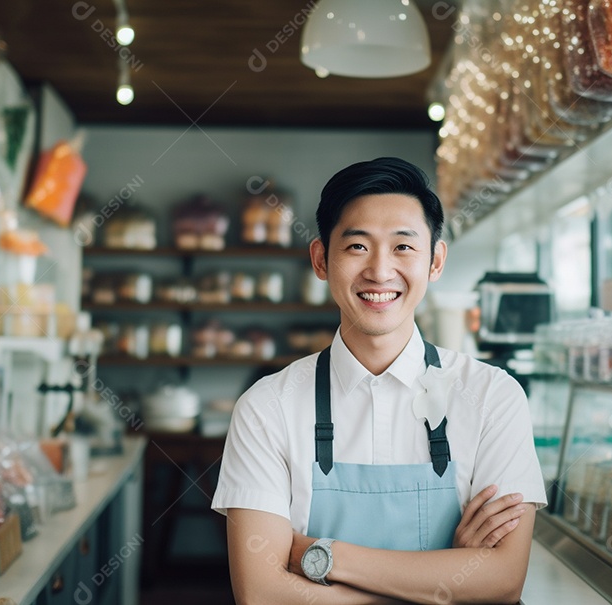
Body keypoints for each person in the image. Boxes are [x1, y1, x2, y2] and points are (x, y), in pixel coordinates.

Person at [211, 157, 547, 604]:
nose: (380, 271)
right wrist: (444, 582)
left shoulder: (492, 397)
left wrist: (326, 556)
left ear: (436, 261)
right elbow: (262, 594)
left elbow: (503, 581)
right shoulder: (266, 407)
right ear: (320, 259)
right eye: (357, 247)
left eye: (403, 247)